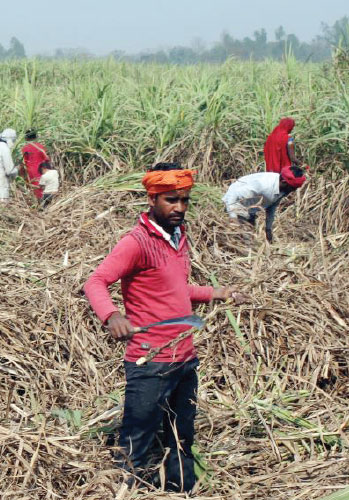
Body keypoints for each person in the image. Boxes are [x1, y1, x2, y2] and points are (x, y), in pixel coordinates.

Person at [83, 163, 245, 493]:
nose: (180, 208)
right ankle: (125, 490)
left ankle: (180, 488)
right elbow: (96, 281)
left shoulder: (178, 237)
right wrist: (112, 316)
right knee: (137, 439)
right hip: (151, 362)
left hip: (185, 358)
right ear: (152, 198)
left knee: (181, 435)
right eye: (171, 200)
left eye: (185, 200)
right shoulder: (137, 242)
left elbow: (175, 290)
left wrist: (216, 293)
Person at [222, 165, 306, 243]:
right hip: (236, 204)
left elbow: (272, 206)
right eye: (292, 188)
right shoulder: (263, 185)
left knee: (250, 238)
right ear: (284, 182)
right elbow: (233, 195)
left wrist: (268, 229)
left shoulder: (283, 188)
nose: (293, 191)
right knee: (244, 240)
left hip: (250, 208)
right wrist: (233, 218)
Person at [20, 130, 50, 201]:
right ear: (36, 137)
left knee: (34, 188)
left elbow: (23, 162)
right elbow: (47, 159)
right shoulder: (40, 147)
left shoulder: (25, 148)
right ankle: (45, 203)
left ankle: (37, 204)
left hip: (30, 171)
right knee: (42, 187)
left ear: (26, 138)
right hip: (41, 170)